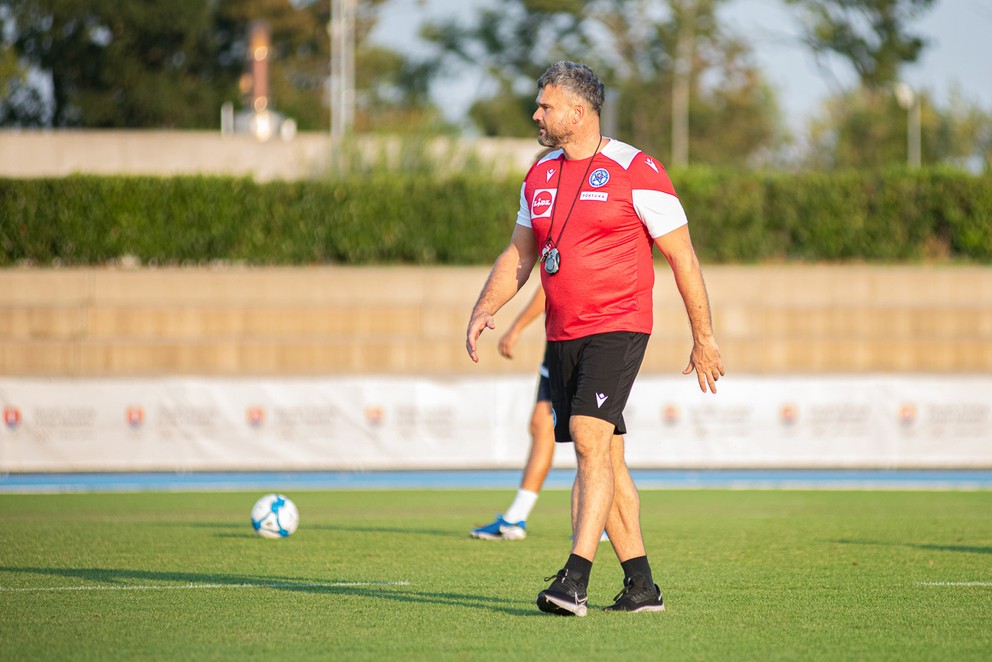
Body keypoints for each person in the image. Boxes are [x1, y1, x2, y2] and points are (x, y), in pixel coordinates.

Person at [465, 61, 724, 616]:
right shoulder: (538, 174)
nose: (536, 113)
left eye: (545, 105)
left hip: (619, 325)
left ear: (578, 113)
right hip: (562, 334)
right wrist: (485, 308)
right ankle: (641, 587)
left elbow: (682, 257)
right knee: (605, 456)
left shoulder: (638, 169)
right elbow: (521, 253)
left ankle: (574, 579)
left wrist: (703, 336)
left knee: (586, 439)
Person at [469, 285, 554, 541]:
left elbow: (551, 285)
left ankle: (608, 522)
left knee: (593, 436)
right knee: (541, 425)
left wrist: (516, 328)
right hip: (559, 345)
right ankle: (516, 517)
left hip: (590, 342)